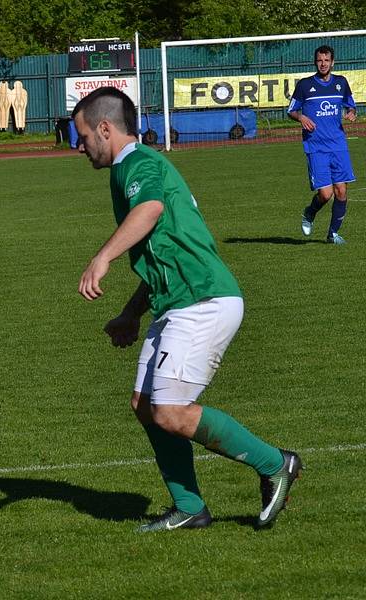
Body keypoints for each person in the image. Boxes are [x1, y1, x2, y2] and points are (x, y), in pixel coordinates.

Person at [71, 87, 302, 532]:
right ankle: (189, 506)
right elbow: (163, 252)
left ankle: (276, 464)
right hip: (178, 302)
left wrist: (103, 257)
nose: (79, 146)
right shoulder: (130, 170)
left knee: (170, 412)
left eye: (83, 136)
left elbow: (151, 210)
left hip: (203, 301)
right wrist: (132, 313)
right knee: (144, 404)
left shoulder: (137, 165)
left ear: (105, 128)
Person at [288, 45, 357, 244]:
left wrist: (351, 112)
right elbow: (291, 110)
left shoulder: (341, 83)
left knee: (342, 191)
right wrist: (301, 118)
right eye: (320, 60)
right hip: (316, 146)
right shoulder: (304, 85)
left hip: (338, 145)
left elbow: (351, 105)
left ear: (332, 62)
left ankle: (333, 234)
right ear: (315, 62)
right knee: (326, 195)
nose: (323, 64)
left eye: (327, 60)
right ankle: (309, 213)